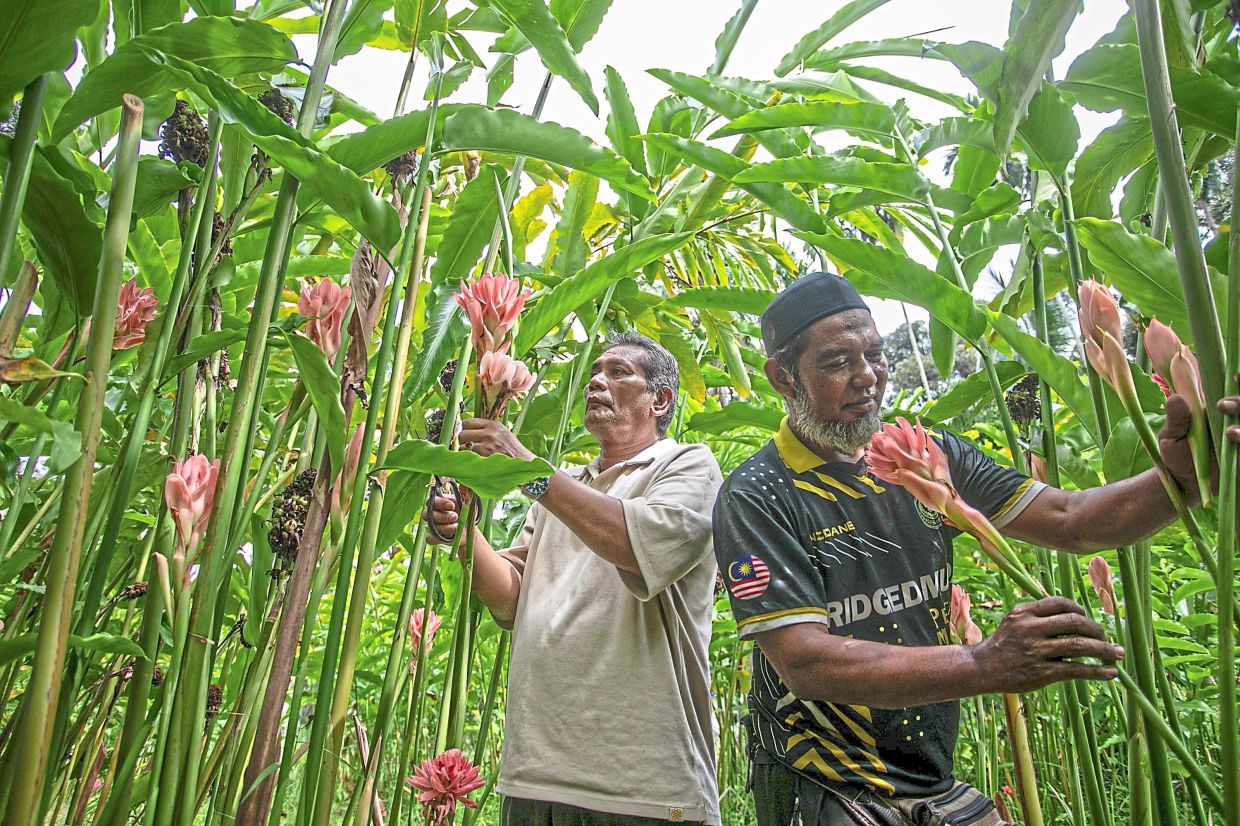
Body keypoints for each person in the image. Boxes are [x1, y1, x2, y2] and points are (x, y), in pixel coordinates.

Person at [712, 272, 1240, 826]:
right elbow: (806, 661)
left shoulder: (925, 453)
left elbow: (1068, 518)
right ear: (783, 378)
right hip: (823, 788)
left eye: (875, 353)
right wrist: (983, 662)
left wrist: (1178, 481)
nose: (866, 376)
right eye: (836, 361)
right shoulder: (758, 494)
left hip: (931, 780)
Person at [429, 331, 723, 826]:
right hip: (537, 773)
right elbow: (510, 602)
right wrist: (463, 532)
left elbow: (634, 546)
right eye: (593, 373)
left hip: (644, 786)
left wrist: (529, 470)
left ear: (662, 399)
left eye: (618, 372)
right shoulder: (567, 487)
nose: (596, 383)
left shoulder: (687, 465)